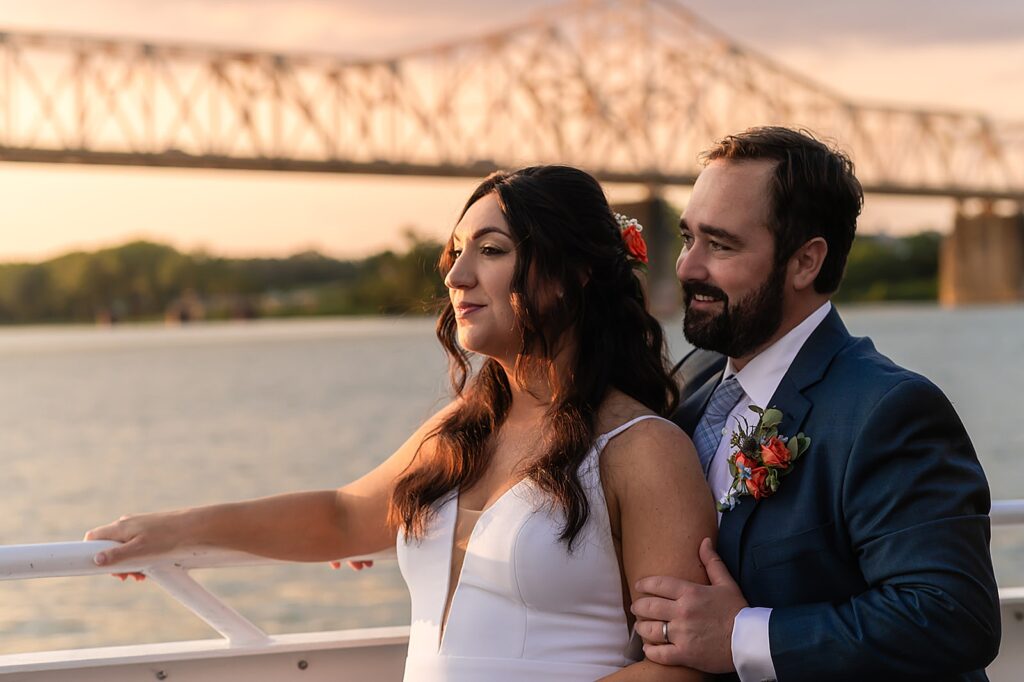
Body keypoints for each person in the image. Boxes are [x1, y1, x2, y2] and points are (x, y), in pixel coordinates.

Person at [85, 165, 718, 681]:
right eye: (455, 252)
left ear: (574, 273)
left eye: (491, 251)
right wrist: (175, 528)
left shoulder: (642, 451)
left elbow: (681, 671)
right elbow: (341, 516)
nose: (455, 275)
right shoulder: (460, 431)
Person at [630, 127, 1001, 681]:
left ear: (806, 262)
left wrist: (743, 637)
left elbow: (953, 614)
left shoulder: (888, 410)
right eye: (688, 238)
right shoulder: (693, 381)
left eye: (721, 244)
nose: (686, 267)